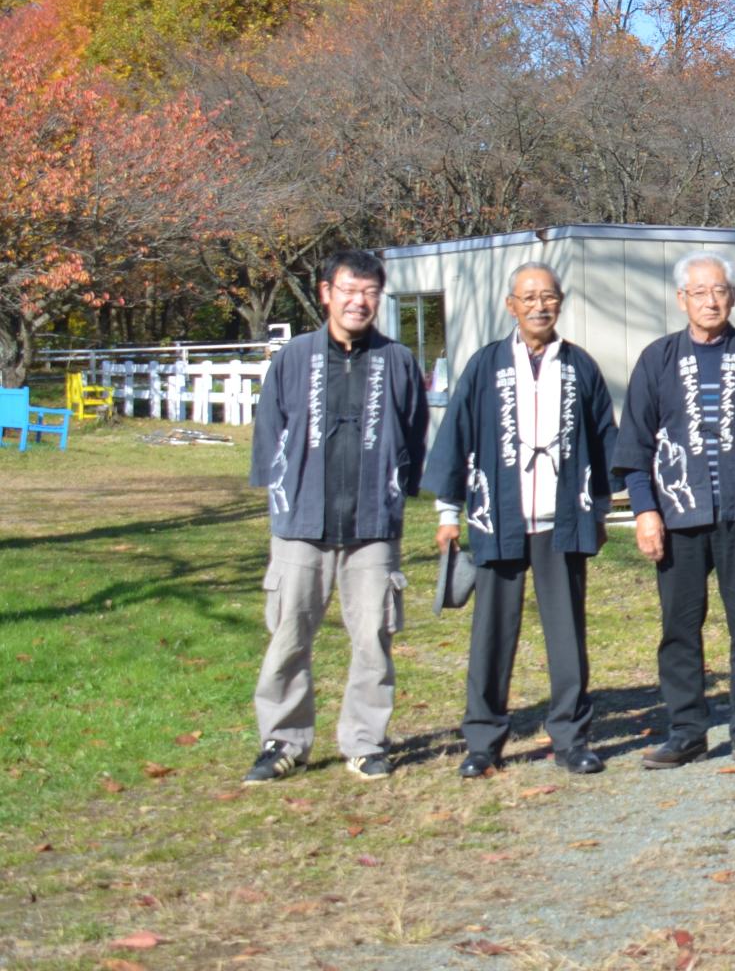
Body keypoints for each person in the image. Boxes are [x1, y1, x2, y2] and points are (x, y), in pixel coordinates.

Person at [614, 252, 735, 770]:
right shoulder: (657, 358)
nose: (710, 300)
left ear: (732, 295)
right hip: (677, 513)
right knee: (679, 625)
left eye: (719, 290)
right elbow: (635, 443)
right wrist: (644, 510)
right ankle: (686, 729)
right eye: (699, 291)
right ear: (682, 299)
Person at [423, 263, 618, 778]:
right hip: (499, 517)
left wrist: (600, 508)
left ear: (560, 302)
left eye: (548, 296)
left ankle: (572, 738)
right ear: (511, 305)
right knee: (491, 632)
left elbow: (603, 441)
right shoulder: (486, 366)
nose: (539, 306)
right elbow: (456, 437)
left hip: (562, 523)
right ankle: (483, 741)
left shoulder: (580, 366)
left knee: (566, 634)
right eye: (528, 297)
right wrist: (448, 512)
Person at [244, 250, 429, 783]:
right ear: (325, 292)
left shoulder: (397, 361)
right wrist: (282, 500)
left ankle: (366, 741)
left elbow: (414, 434)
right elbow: (269, 434)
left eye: (370, 291)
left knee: (374, 636)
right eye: (348, 289)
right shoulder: (294, 358)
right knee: (289, 637)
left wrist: (400, 490)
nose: (359, 300)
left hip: (373, 525)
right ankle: (282, 741)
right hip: (301, 523)